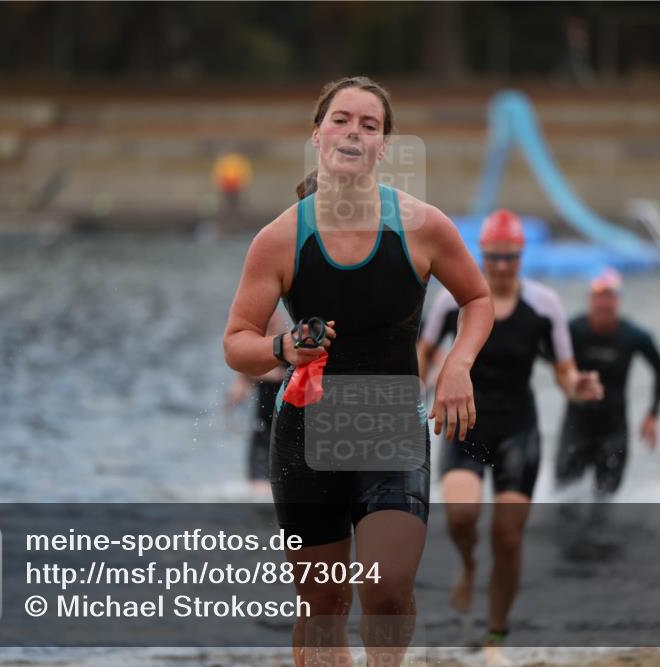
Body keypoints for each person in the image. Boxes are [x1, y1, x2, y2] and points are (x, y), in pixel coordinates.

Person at [222, 76, 493, 667]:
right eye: (341, 120)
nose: (353, 132)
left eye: (369, 125)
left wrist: (457, 366)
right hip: (304, 431)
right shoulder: (280, 239)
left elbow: (477, 300)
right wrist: (284, 346)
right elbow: (236, 342)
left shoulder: (423, 227)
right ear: (318, 135)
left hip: (390, 423)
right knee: (323, 606)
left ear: (383, 147)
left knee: (388, 585)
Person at [418, 209, 603, 646]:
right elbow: (422, 351)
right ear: (481, 255)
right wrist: (420, 383)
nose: (502, 266)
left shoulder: (544, 305)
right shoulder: (453, 301)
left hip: (519, 429)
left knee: (507, 536)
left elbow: (564, 372)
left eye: (511, 258)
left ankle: (496, 636)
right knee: (462, 517)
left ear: (522, 257)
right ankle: (467, 566)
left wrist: (579, 386)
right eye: (494, 257)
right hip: (466, 426)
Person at [554, 267, 660, 498]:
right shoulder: (572, 330)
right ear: (590, 299)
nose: (604, 304)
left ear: (618, 300)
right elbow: (548, 357)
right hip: (577, 423)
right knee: (562, 498)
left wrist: (653, 414)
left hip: (614, 426)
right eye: (599, 297)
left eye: (610, 297)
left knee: (605, 502)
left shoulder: (634, 336)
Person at [226, 309, 291, 493]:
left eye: (275, 320)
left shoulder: (289, 347)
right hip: (262, 427)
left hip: (286, 427)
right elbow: (245, 369)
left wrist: (251, 377)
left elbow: (285, 375)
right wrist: (239, 386)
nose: (274, 323)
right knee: (258, 485)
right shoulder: (258, 354)